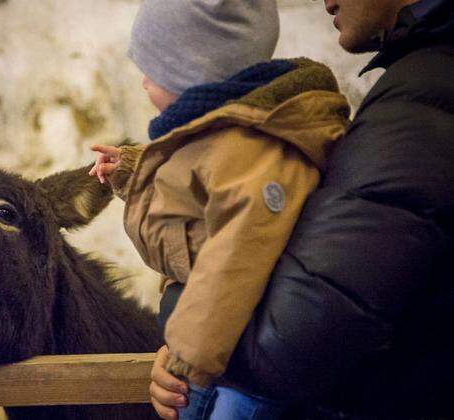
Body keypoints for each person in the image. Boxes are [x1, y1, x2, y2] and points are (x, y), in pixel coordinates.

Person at [145, 0, 454, 419]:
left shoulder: (424, 94)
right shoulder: (419, 85)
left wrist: (186, 334)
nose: (324, 0)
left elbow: (293, 344)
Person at [89, 1, 351, 418]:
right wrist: (132, 170)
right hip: (221, 351)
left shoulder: (256, 148)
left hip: (235, 366)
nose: (142, 82)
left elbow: (234, 260)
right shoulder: (225, 137)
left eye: (152, 70)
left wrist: (188, 356)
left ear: (190, 72)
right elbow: (198, 192)